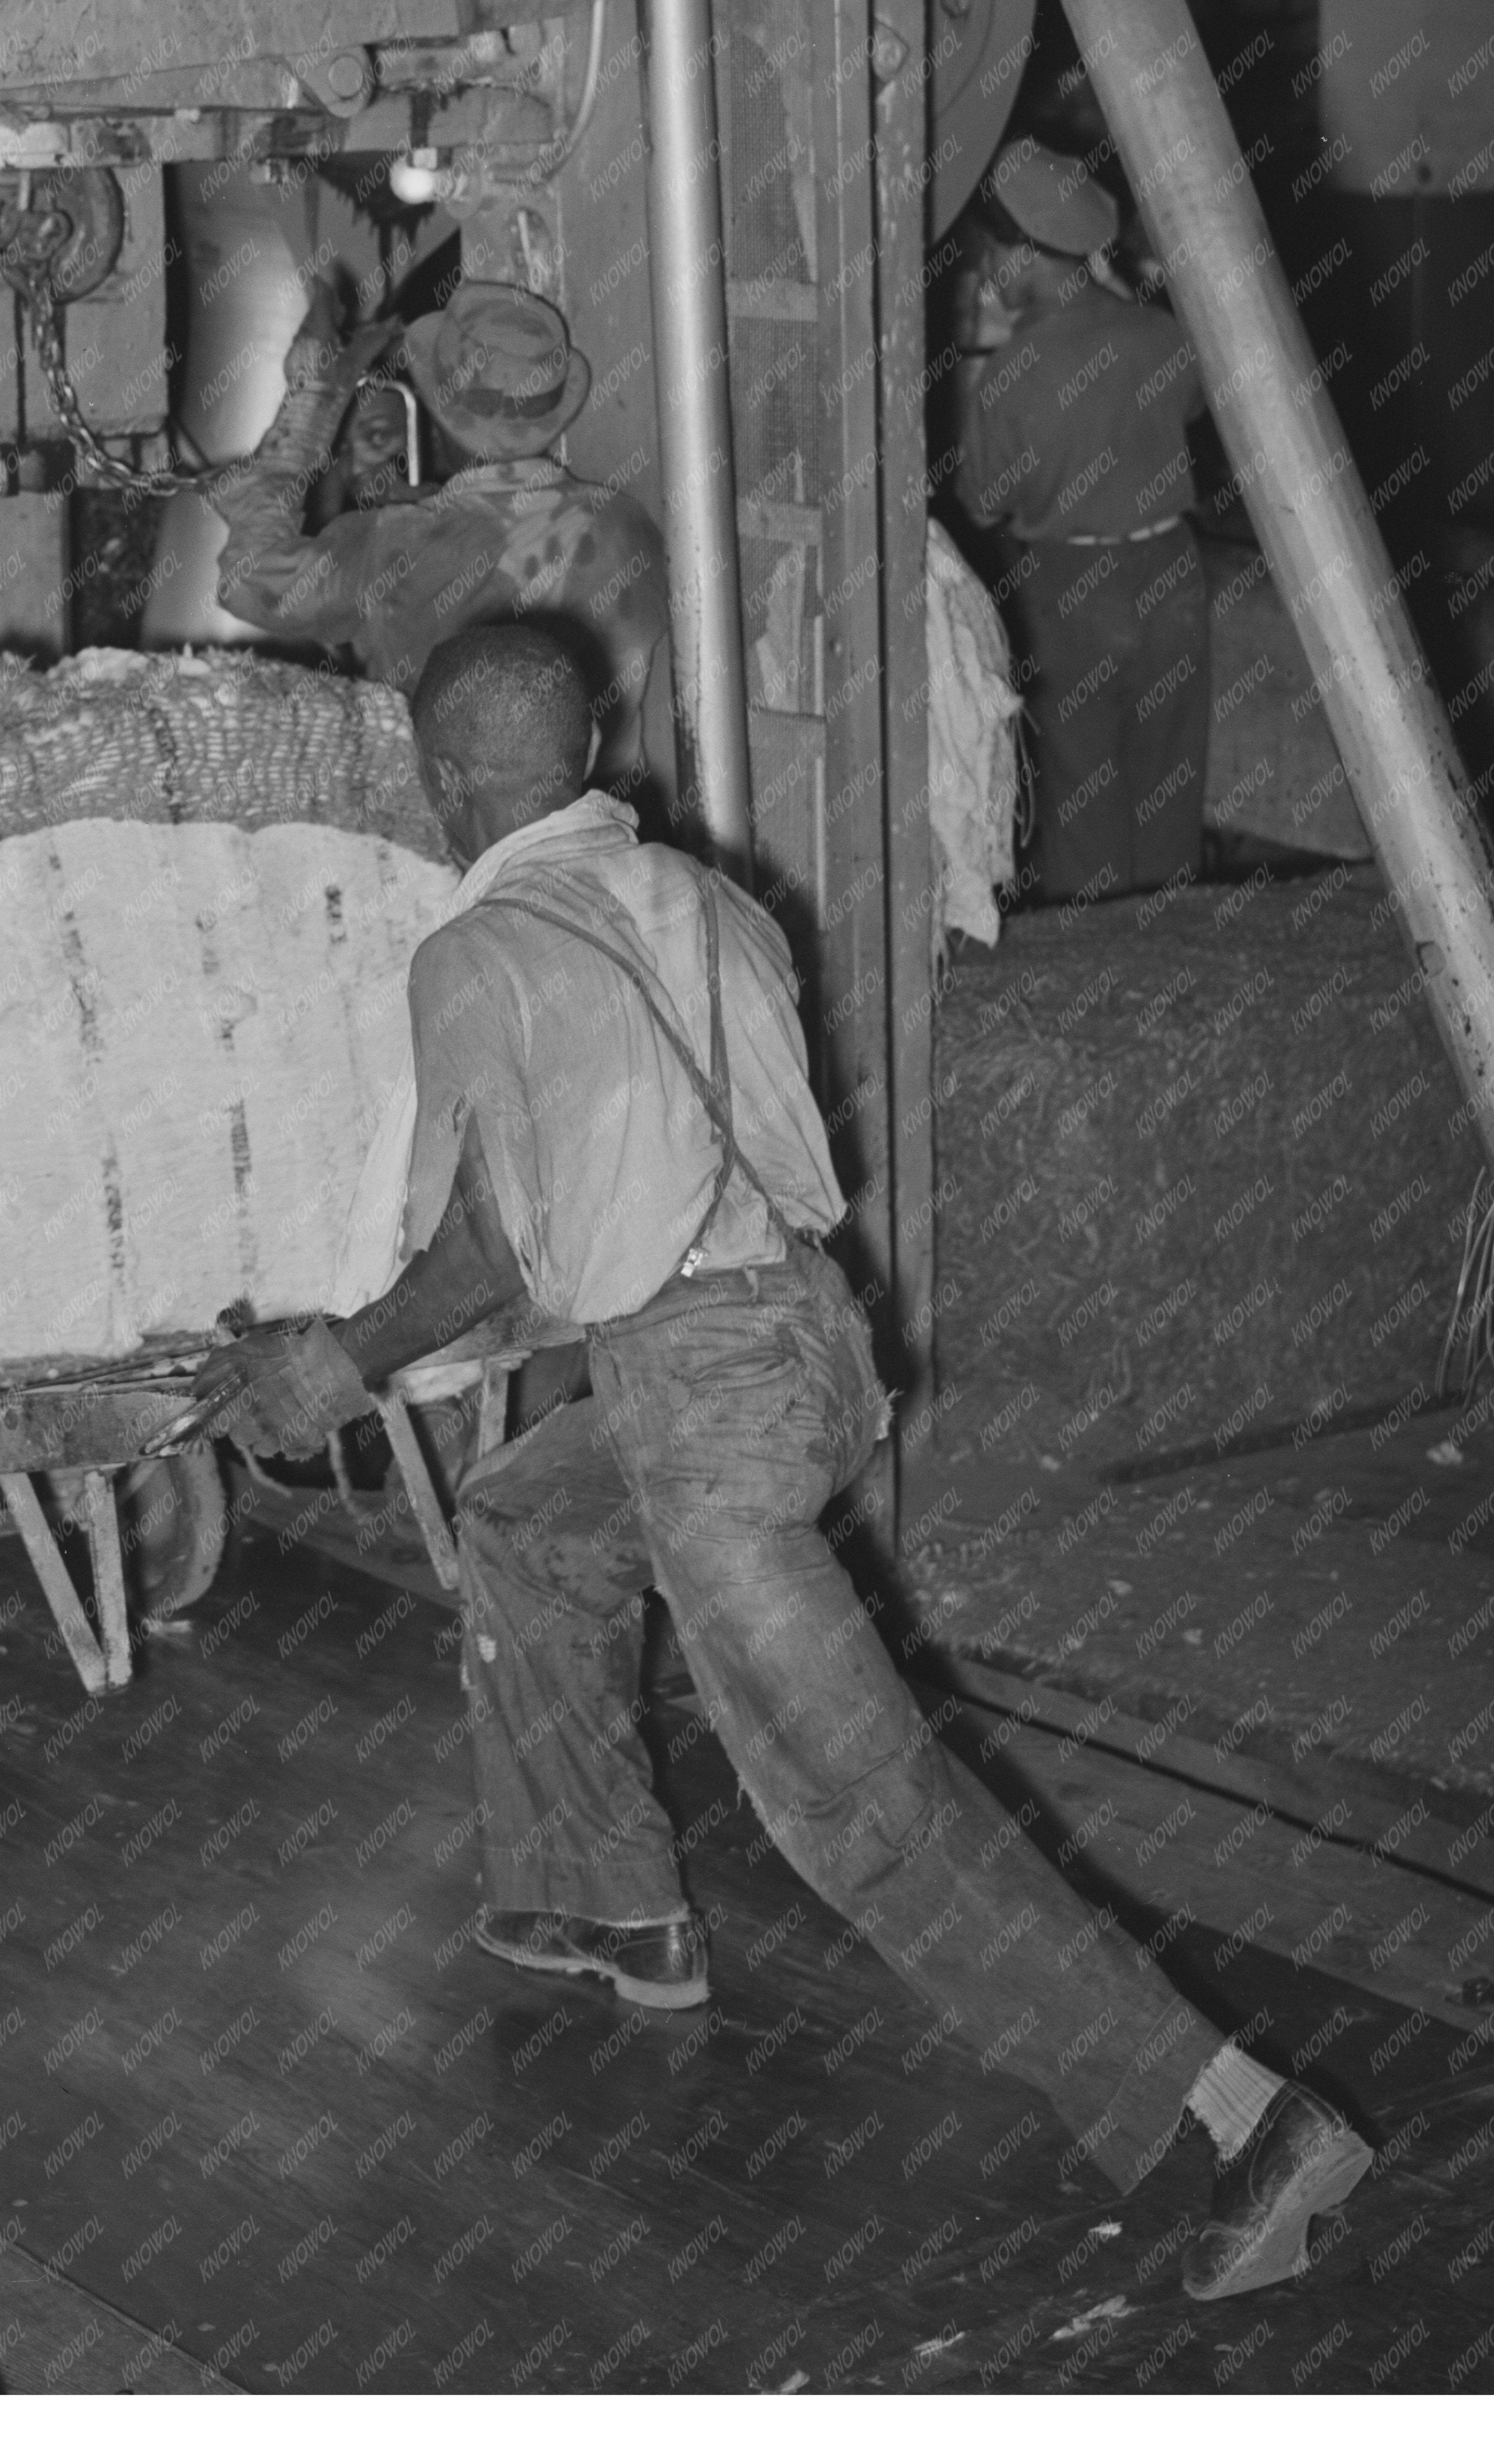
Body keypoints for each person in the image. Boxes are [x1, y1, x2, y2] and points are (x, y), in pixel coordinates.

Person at [193, 623, 1373, 2302]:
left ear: (436, 778)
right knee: (529, 1519)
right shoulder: (709, 896)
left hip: (707, 1402)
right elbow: (610, 1220)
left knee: (861, 1804)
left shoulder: (473, 952)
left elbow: (483, 1260)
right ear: (591, 745)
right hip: (811, 1341)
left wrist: (322, 1364)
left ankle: (1243, 2122)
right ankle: (599, 1896)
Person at [213, 278, 673, 795]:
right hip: (612, 835)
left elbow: (248, 577)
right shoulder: (631, 527)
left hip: (456, 853)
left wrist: (317, 389)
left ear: (436, 419)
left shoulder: (397, 544)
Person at [948, 137, 1211, 903]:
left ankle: (1101, 979)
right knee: (1168, 787)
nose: (991, 272)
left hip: (1069, 591)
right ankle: (1172, 959)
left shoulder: (1011, 376)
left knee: (1080, 796)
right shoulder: (1164, 335)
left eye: (994, 252)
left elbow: (980, 500)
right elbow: (1191, 406)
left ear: (1022, 255)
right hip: (1172, 575)